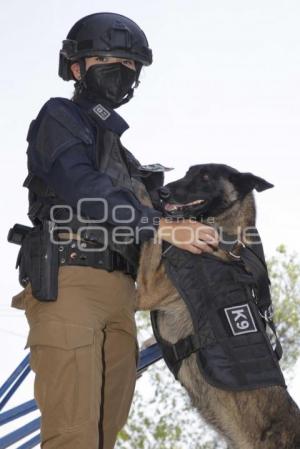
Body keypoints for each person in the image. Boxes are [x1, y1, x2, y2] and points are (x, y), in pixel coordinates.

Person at [10, 12, 218, 449]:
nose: (119, 72)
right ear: (76, 67)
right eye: (105, 58)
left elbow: (140, 205)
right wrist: (162, 225)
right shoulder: (60, 116)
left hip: (123, 296)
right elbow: (83, 188)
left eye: (129, 65)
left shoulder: (121, 155)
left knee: (103, 437)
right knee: (74, 438)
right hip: (72, 283)